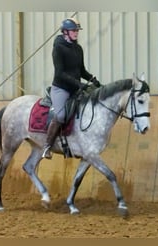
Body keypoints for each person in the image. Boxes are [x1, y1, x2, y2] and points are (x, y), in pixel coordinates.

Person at [42, 17, 101, 159]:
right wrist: (79, 84)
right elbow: (60, 73)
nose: (76, 33)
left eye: (77, 31)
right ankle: (47, 146)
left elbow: (81, 70)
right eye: (74, 30)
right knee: (61, 115)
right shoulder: (58, 48)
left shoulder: (78, 48)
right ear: (65, 32)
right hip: (61, 88)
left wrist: (93, 79)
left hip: (75, 88)